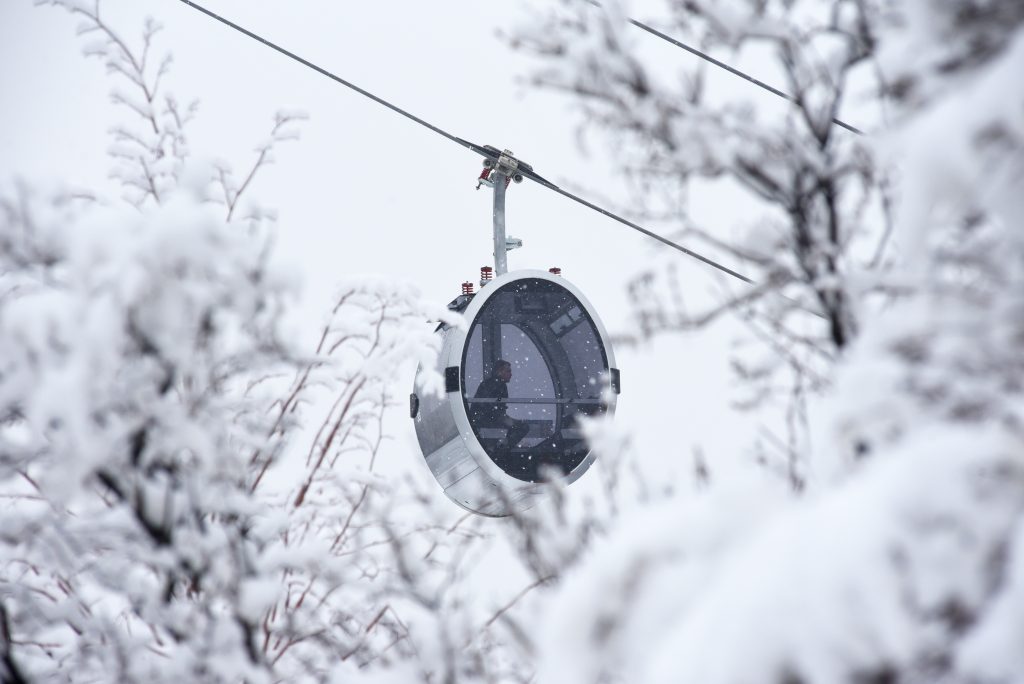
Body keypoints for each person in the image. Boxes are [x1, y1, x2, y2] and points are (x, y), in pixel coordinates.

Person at [473, 360, 529, 450]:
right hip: (488, 419)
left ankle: (502, 446)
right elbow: (488, 406)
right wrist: (501, 416)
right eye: (508, 371)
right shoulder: (496, 384)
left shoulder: (493, 383)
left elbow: (491, 406)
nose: (511, 374)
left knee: (518, 426)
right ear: (500, 371)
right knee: (523, 427)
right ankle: (503, 447)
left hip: (485, 418)